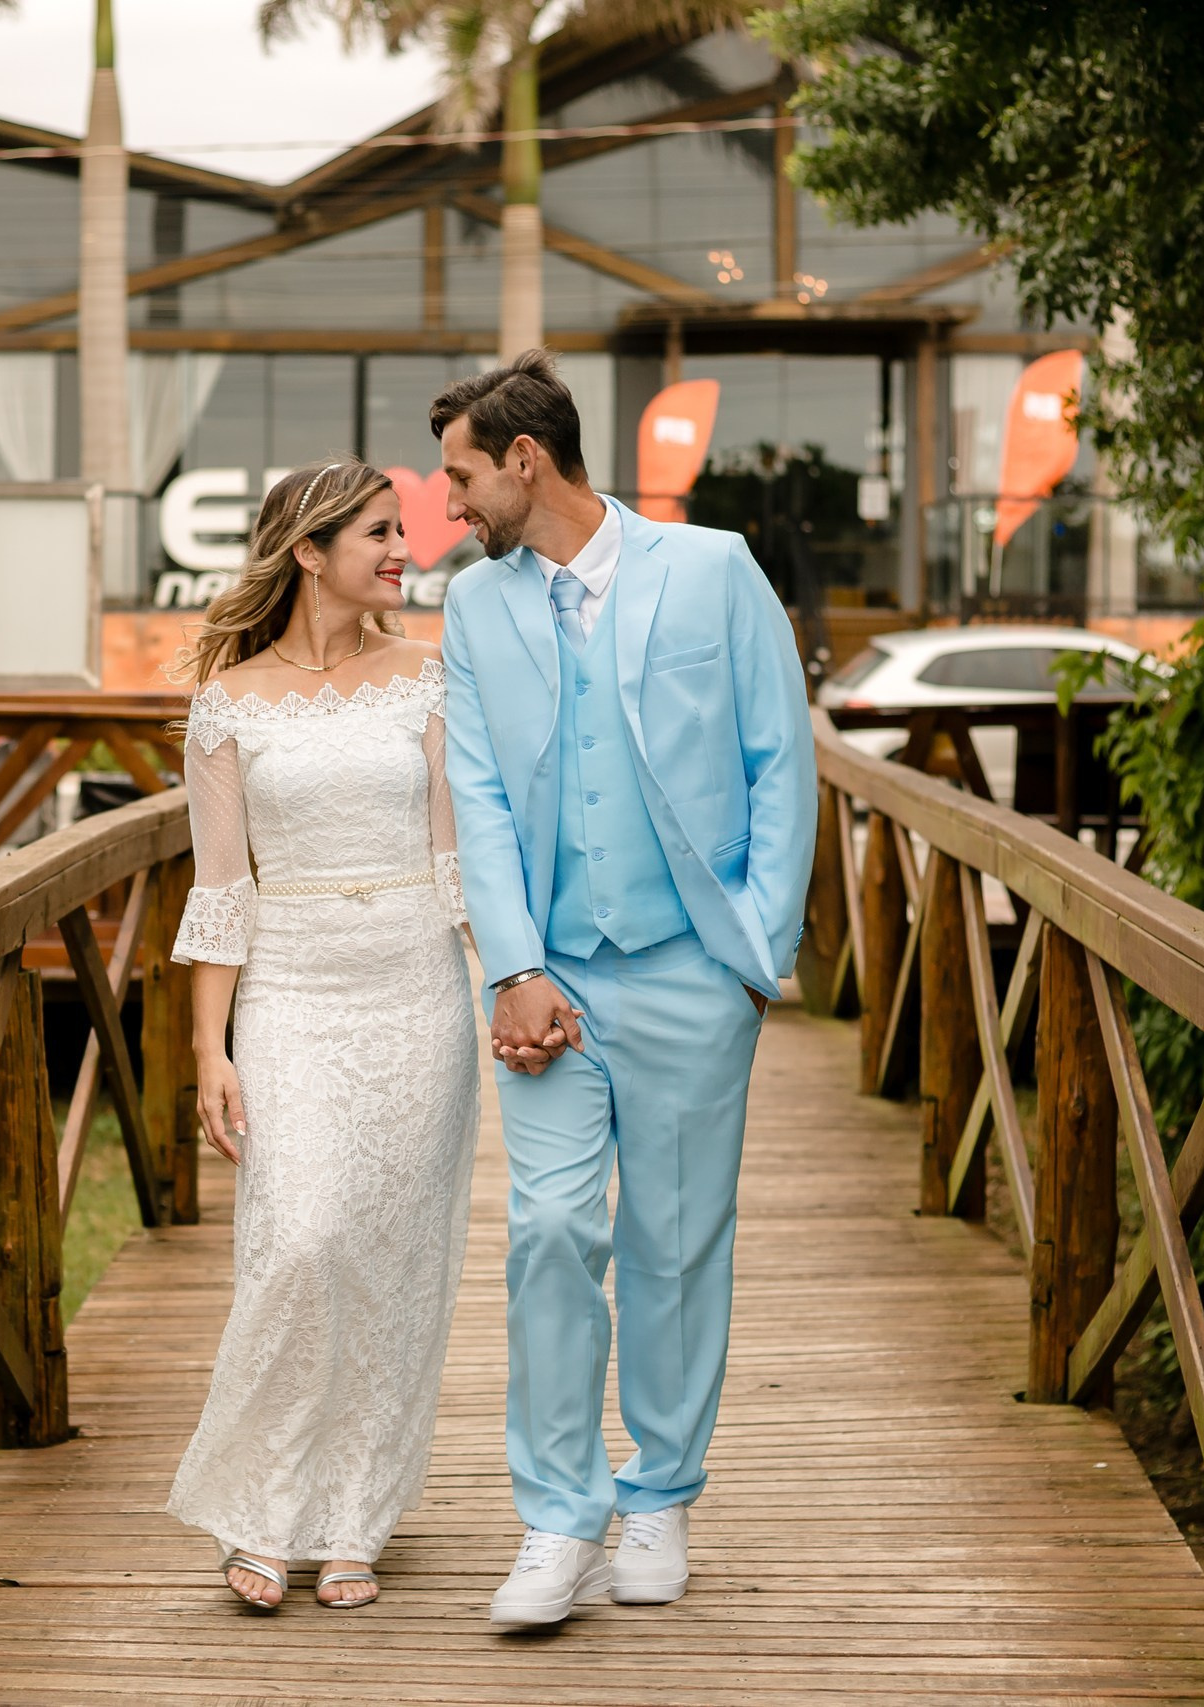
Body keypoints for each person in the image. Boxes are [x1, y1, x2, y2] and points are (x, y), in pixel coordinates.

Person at [432, 352, 814, 1628]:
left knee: (676, 1244)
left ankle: (659, 1497)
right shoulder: (474, 608)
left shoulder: (712, 569)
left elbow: (779, 759)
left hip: (693, 971)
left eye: (460, 475)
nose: (447, 503)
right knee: (548, 1232)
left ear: (524, 460)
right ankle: (557, 1518)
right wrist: (514, 966)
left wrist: (754, 957)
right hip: (550, 986)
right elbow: (478, 795)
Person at [163, 459, 481, 1612]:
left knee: (392, 1257)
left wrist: (517, 985)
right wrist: (210, 1050)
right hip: (291, 995)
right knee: (300, 1237)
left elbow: (457, 857)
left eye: (403, 531)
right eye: (380, 533)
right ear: (308, 551)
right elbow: (220, 891)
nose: (404, 551)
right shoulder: (228, 703)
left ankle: (354, 1515)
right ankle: (259, 1512)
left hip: (417, 992)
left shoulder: (429, 679)